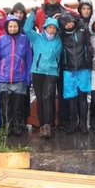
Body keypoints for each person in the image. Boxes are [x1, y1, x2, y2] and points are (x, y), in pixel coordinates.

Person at [0, 15, 32, 136]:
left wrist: (28, 77)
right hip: (3, 78)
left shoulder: (24, 39)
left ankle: (17, 126)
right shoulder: (1, 40)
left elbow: (29, 59)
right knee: (5, 105)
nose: (13, 28)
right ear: (6, 27)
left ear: (18, 27)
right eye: (10, 26)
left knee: (18, 105)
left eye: (15, 26)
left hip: (19, 77)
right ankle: (6, 127)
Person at [25, 8, 61, 139]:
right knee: (40, 99)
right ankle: (42, 124)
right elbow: (27, 29)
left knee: (47, 97)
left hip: (51, 73)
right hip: (37, 72)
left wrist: (61, 17)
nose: (52, 30)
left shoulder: (59, 40)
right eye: (49, 27)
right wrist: (32, 15)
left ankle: (47, 125)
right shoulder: (37, 38)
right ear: (45, 27)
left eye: (54, 27)